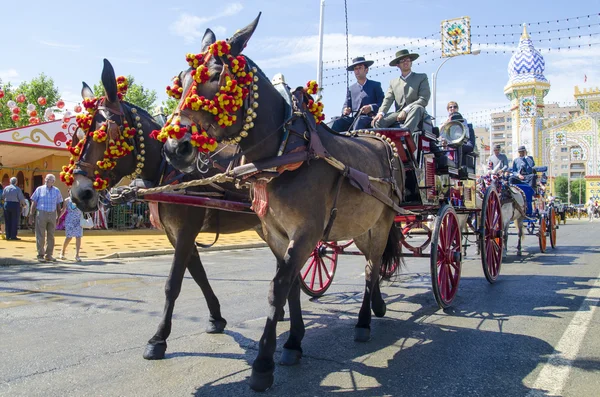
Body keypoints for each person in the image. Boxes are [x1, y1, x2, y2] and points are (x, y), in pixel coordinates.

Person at [372, 49, 431, 136]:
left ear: (411, 62)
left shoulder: (421, 77)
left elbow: (423, 99)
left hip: (416, 112)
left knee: (417, 108)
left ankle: (404, 136)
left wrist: (406, 110)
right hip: (398, 113)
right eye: (402, 61)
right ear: (398, 65)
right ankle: (385, 145)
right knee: (378, 122)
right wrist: (381, 113)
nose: (405, 62)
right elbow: (387, 100)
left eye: (407, 60)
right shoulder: (393, 82)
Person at [330, 56, 384, 132]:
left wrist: (371, 107)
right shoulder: (351, 89)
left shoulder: (375, 85)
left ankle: (355, 142)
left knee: (360, 121)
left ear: (366, 70)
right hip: (354, 119)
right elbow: (346, 105)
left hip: (370, 119)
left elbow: (382, 103)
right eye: (355, 69)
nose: (357, 71)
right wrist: (345, 110)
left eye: (360, 68)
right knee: (336, 121)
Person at [29, 174, 64, 262]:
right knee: (40, 234)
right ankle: (40, 254)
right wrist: (31, 215)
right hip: (41, 213)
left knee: (51, 235)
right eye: (47, 179)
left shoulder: (56, 190)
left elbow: (58, 205)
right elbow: (34, 203)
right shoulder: (39, 189)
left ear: (53, 181)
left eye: (50, 180)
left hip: (52, 214)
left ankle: (49, 255)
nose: (48, 181)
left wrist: (59, 217)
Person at [58, 192, 83, 262]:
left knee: (78, 237)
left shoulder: (81, 200)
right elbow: (63, 210)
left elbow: (85, 209)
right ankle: (62, 251)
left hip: (78, 220)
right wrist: (58, 218)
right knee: (69, 237)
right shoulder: (66, 200)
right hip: (69, 220)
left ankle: (77, 255)